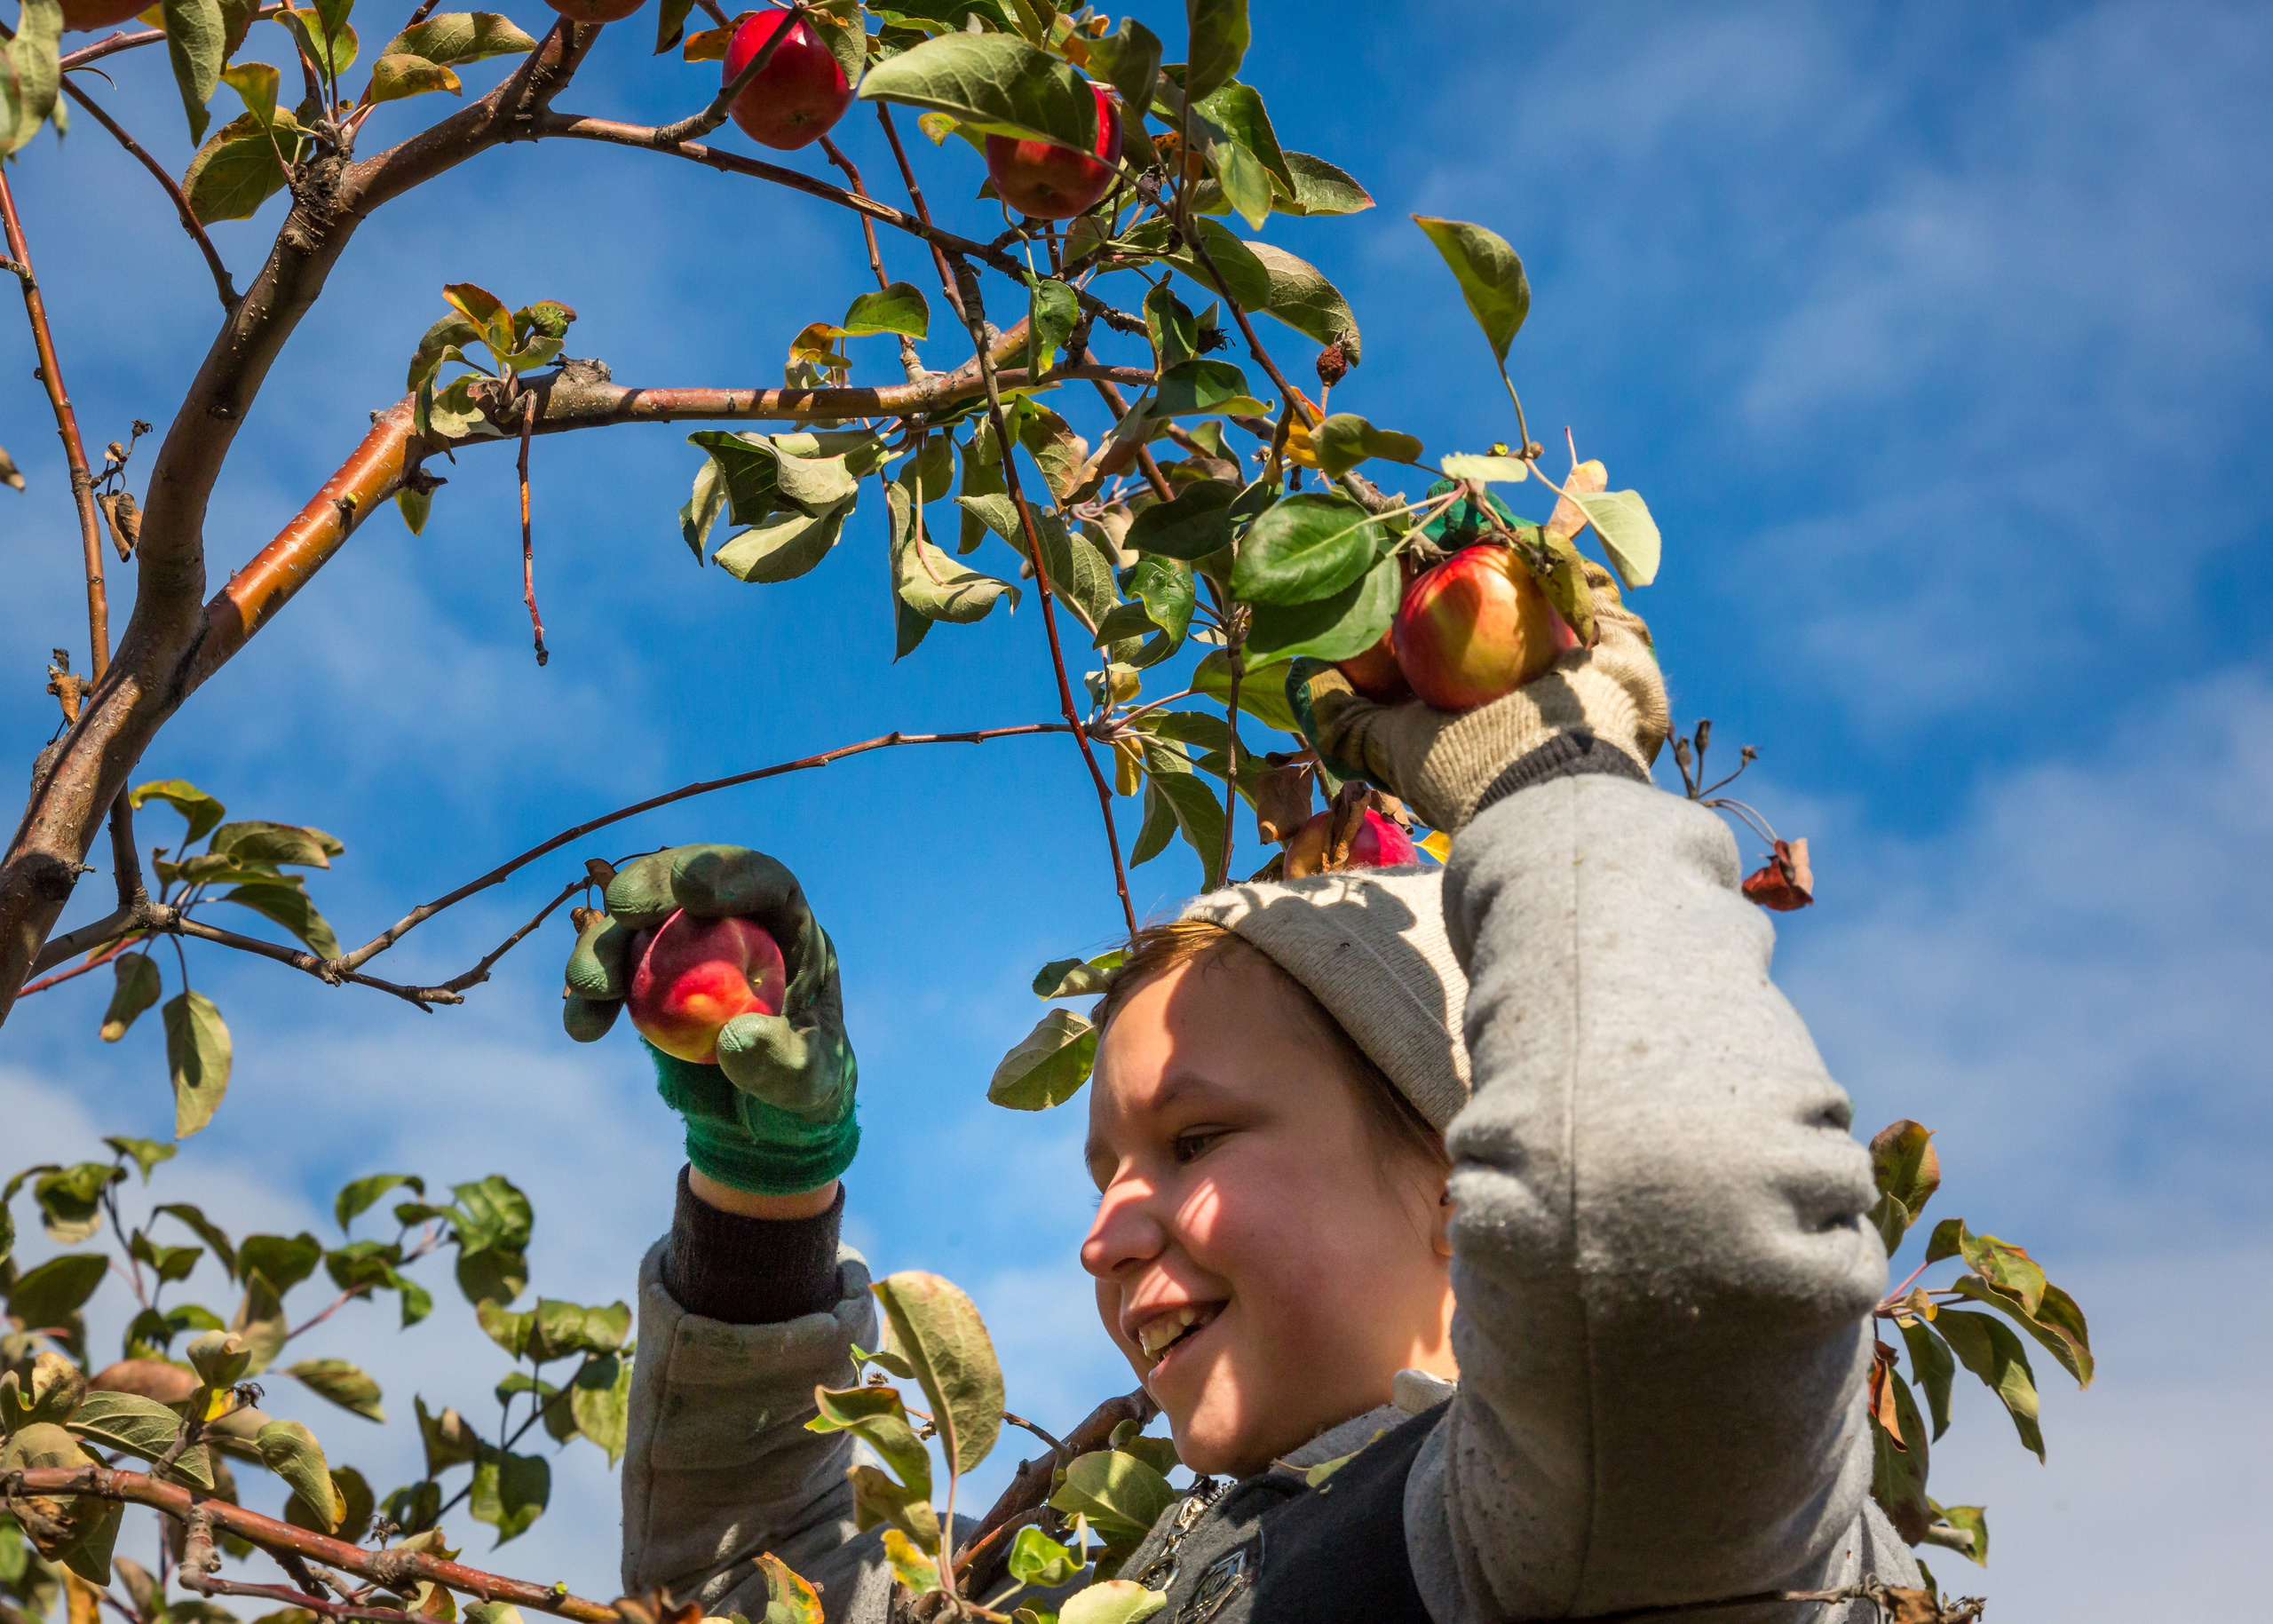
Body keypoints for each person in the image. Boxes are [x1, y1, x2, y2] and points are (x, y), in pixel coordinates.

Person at [563, 563, 1921, 1622]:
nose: (1103, 1236)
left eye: (1196, 1136)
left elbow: (1676, 1228)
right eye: (1106, 1171)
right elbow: (739, 1594)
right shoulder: (1134, 1586)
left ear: (1464, 1180)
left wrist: (1550, 776)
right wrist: (762, 1202)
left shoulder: (1562, 1532)